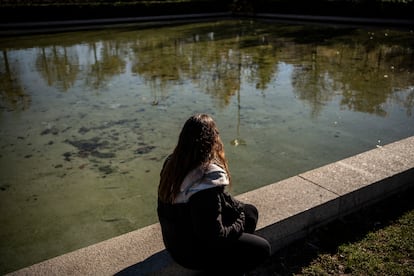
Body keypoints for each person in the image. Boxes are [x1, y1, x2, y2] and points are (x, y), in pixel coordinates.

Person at [157, 113, 271, 275]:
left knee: (250, 211)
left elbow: (213, 203)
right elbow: (217, 236)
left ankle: (227, 262)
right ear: (212, 141)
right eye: (216, 133)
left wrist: (239, 209)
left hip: (174, 240)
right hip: (190, 253)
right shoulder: (206, 176)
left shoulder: (172, 163)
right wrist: (240, 220)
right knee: (262, 248)